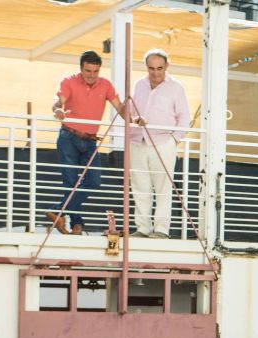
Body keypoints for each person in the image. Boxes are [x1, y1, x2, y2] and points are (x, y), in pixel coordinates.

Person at [47, 51, 125, 235]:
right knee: (70, 183)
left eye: (95, 71)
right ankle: (77, 225)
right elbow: (58, 102)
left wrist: (135, 118)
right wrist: (58, 110)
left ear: (99, 70)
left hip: (90, 140)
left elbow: (120, 107)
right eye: (87, 70)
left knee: (94, 181)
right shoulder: (69, 81)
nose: (91, 75)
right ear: (81, 68)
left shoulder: (105, 85)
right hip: (68, 137)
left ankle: (57, 211)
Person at [129, 48, 190, 238]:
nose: (155, 73)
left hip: (164, 142)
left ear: (167, 67)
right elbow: (130, 111)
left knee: (163, 187)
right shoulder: (139, 84)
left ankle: (162, 230)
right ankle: (142, 228)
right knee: (140, 187)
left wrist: (173, 140)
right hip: (138, 141)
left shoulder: (176, 87)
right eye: (151, 68)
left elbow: (184, 118)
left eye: (159, 68)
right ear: (146, 68)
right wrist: (135, 118)